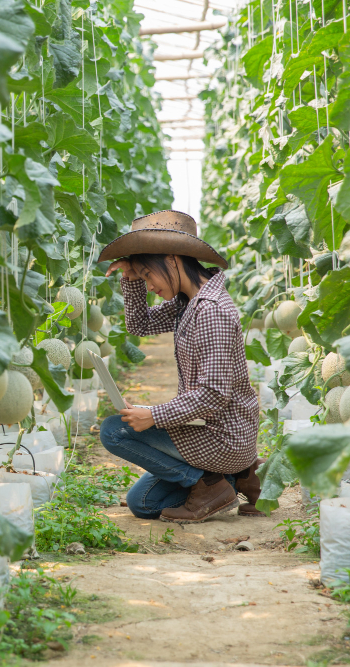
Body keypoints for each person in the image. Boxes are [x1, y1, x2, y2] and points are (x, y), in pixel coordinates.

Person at [96, 210, 262, 523]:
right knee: (143, 503)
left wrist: (154, 415)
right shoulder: (188, 301)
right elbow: (140, 324)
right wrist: (131, 277)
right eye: (143, 278)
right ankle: (237, 477)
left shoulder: (210, 310)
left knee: (114, 431)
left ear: (172, 260)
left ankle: (210, 485)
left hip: (224, 438)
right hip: (211, 431)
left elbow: (213, 394)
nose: (149, 286)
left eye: (148, 275)